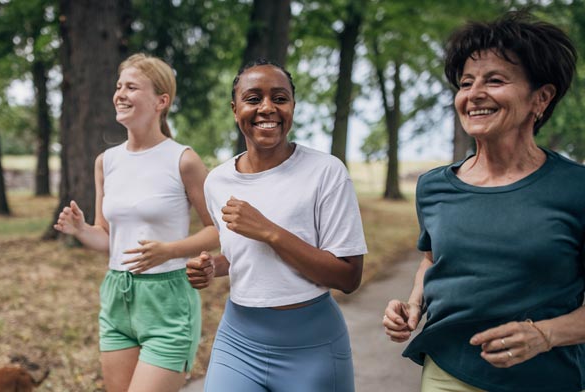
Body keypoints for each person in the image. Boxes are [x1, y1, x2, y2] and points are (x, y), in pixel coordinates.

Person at [382, 11, 585, 392]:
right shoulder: (433, 187)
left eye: (495, 80)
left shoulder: (577, 189)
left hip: (547, 380)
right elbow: (431, 261)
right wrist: (413, 305)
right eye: (465, 83)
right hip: (449, 373)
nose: (474, 94)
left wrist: (544, 334)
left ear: (541, 98)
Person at [186, 59, 367, 392]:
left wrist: (270, 232)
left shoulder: (326, 172)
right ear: (235, 108)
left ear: (292, 107)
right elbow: (246, 256)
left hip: (312, 346)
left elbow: (348, 276)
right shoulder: (217, 181)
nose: (267, 108)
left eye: (279, 98)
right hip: (238, 340)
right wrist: (214, 266)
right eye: (253, 98)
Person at [53, 53, 219, 392]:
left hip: (168, 301)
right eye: (118, 87)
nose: (120, 94)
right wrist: (82, 230)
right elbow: (108, 238)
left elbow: (216, 230)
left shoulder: (183, 160)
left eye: (131, 87)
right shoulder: (106, 162)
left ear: (161, 101)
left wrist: (169, 250)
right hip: (117, 296)